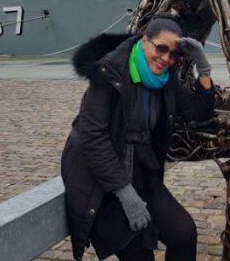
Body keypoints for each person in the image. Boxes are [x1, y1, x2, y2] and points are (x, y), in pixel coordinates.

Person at [62, 17, 214, 261]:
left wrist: (203, 69)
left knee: (184, 234)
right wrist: (126, 195)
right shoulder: (109, 73)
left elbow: (198, 114)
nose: (165, 58)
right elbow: (93, 140)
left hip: (142, 171)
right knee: (138, 252)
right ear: (145, 42)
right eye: (161, 48)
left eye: (173, 54)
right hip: (103, 181)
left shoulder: (165, 78)